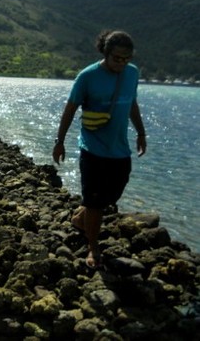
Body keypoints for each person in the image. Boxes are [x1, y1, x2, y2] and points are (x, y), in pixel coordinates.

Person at [52, 29, 147, 269]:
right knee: (95, 202)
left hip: (120, 150)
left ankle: (80, 217)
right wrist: (60, 141)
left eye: (127, 59)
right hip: (93, 149)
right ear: (106, 53)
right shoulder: (88, 76)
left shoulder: (132, 73)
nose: (122, 63)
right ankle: (93, 247)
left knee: (111, 196)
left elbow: (132, 103)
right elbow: (71, 108)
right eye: (117, 58)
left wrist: (141, 132)